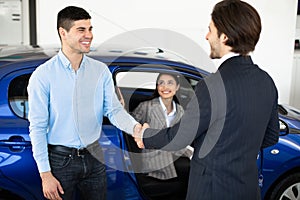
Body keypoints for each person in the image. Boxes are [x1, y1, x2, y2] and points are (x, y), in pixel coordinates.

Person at [134, 0, 279, 199]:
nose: (207, 36)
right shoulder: (266, 82)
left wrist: (145, 135)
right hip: (247, 190)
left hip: (211, 190)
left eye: (210, 30)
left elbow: (180, 138)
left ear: (225, 37)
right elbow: (271, 136)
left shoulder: (211, 86)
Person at [27, 6, 141, 200]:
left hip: (94, 155)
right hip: (60, 161)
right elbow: (37, 127)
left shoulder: (100, 71)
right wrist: (45, 174)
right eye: (81, 30)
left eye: (90, 29)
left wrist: (136, 128)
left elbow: (113, 110)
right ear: (63, 33)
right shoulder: (43, 76)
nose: (89, 35)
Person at [131, 72, 192, 199]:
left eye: (170, 83)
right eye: (161, 83)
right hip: (152, 160)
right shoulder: (146, 106)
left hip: (174, 156)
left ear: (177, 87)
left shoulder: (180, 110)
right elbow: (130, 126)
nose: (165, 87)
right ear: (157, 86)